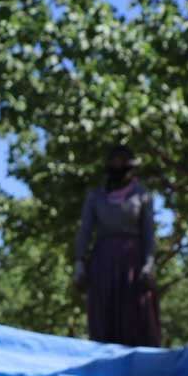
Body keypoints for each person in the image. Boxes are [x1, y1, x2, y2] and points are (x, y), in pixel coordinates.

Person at [72, 145, 161, 346]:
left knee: (135, 314)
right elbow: (85, 230)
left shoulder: (142, 195)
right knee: (104, 312)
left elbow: (148, 232)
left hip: (133, 262)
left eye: (123, 163)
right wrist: (79, 262)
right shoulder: (95, 196)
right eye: (115, 162)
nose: (119, 167)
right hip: (103, 261)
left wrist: (149, 263)